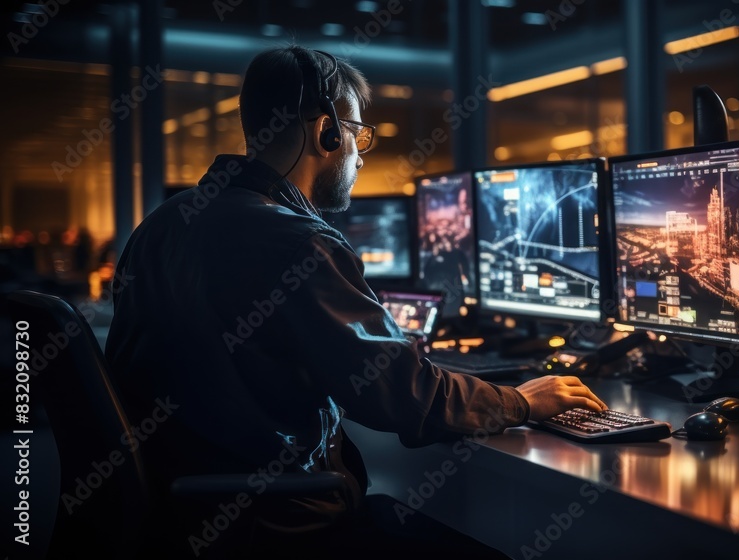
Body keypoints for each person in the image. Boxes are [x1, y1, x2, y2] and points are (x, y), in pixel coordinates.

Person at [104, 45, 607, 559]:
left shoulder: (162, 224)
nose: (360, 152)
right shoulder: (298, 242)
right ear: (325, 130)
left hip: (182, 517)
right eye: (357, 132)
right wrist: (521, 400)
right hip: (277, 525)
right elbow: (405, 395)